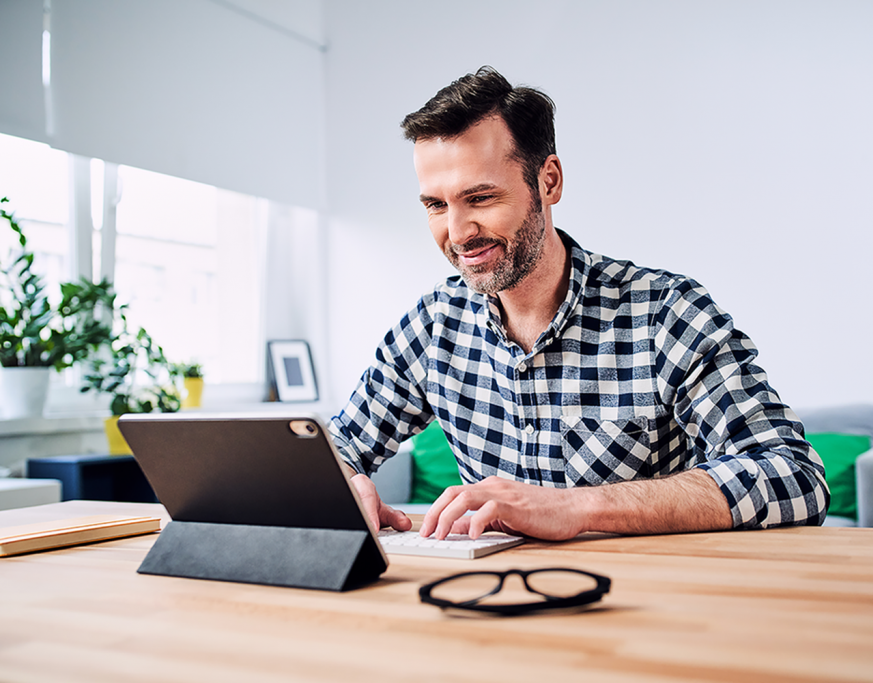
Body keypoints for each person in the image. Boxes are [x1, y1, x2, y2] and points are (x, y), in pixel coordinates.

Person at [329, 66, 829, 541]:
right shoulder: (433, 326)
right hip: (488, 607)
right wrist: (343, 481)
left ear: (549, 181)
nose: (457, 234)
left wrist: (574, 507)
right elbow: (337, 447)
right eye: (436, 206)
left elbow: (794, 475)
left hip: (646, 609)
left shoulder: (664, 313)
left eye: (480, 198)